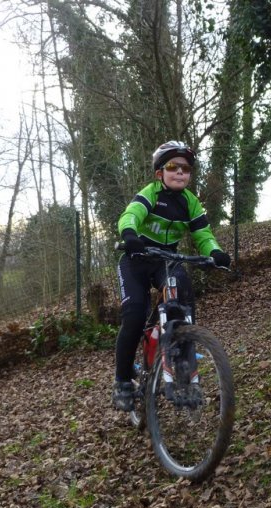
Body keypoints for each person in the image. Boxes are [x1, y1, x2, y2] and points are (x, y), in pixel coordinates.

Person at [112, 141, 231, 411]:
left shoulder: (190, 203)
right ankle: (122, 381)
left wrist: (215, 252)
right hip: (136, 260)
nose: (180, 172)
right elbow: (130, 214)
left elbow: (203, 234)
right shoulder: (151, 194)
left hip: (167, 261)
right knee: (134, 315)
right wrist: (129, 235)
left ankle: (184, 366)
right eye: (172, 166)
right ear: (159, 173)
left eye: (185, 168)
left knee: (183, 298)